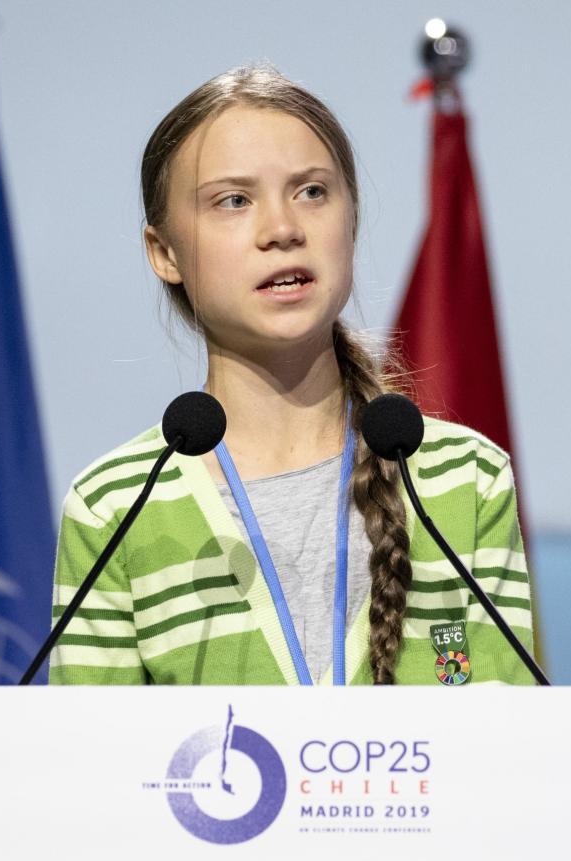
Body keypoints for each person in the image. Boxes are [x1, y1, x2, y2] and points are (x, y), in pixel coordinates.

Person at [49, 64, 535, 687]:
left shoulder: (465, 481)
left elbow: (515, 757)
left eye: (311, 191)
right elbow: (97, 770)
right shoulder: (115, 506)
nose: (283, 230)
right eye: (233, 201)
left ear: (351, 221)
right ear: (164, 253)